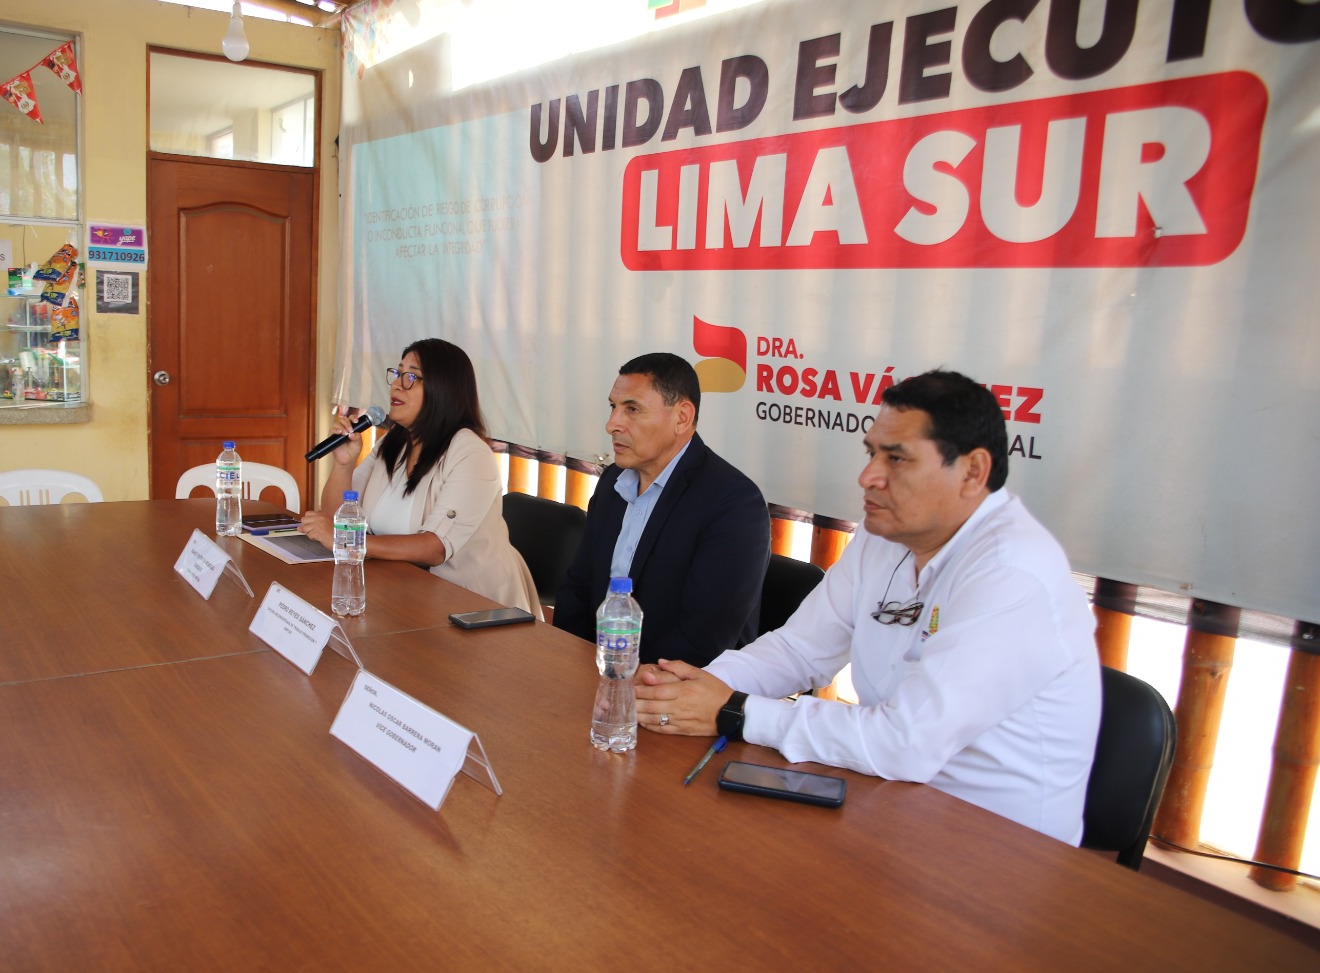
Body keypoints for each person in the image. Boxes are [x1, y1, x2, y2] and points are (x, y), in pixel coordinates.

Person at [633, 369, 1100, 845]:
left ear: (973, 472)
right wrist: (693, 685)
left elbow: (906, 741)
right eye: (871, 452)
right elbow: (799, 650)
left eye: (896, 459)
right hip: (892, 806)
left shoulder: (1012, 572)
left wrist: (734, 711)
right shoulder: (885, 537)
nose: (868, 476)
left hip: (998, 851)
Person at [552, 352, 770, 665]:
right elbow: (578, 586)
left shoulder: (733, 503)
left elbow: (703, 639)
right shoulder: (614, 479)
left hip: (673, 692)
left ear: (682, 417)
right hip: (596, 671)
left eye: (632, 409)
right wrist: (577, 661)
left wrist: (621, 680)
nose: (612, 424)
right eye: (614, 407)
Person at [297, 339, 541, 615]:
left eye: (411, 377)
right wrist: (343, 464)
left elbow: (435, 547)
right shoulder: (394, 442)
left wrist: (352, 543)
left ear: (443, 390)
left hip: (474, 606)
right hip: (405, 592)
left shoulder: (470, 452)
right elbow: (337, 518)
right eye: (398, 373)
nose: (397, 384)